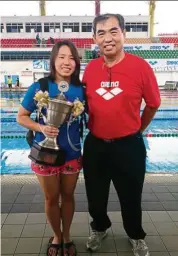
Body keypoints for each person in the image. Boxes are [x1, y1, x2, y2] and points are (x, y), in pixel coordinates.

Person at [82, 13, 161, 256]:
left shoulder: (140, 67)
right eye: (101, 33)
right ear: (94, 38)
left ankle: (136, 235)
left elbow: (153, 104)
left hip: (129, 146)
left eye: (113, 31)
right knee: (95, 195)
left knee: (131, 196)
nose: (108, 38)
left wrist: (137, 129)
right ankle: (99, 228)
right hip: (95, 145)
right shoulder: (91, 69)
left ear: (124, 34)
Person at [17, 40, 84, 256]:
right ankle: (57, 235)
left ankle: (67, 236)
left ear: (77, 62)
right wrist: (41, 127)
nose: (67, 62)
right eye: (62, 57)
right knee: (51, 198)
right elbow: (21, 117)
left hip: (72, 153)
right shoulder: (40, 87)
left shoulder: (81, 89)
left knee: (69, 195)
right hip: (45, 153)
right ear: (53, 60)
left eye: (72, 57)